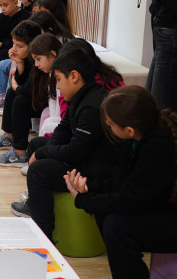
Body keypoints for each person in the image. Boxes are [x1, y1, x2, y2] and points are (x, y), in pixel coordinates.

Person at [65, 86, 177, 279]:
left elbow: (131, 199)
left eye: (110, 125)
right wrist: (92, 187)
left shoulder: (157, 147)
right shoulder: (153, 129)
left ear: (129, 129)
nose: (108, 127)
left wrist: (83, 200)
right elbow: (133, 185)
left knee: (117, 227)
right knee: (110, 215)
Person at [9, 47, 129, 241]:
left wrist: (41, 156)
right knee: (39, 144)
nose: (57, 86)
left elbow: (75, 152)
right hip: (86, 158)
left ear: (74, 76)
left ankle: (44, 236)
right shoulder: (81, 95)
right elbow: (63, 130)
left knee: (39, 170)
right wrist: (44, 151)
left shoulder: (92, 106)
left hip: (99, 173)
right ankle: (36, 208)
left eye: (58, 79)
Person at [0, 21, 43, 164]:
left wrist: (17, 86)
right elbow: (22, 80)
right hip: (34, 96)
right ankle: (9, 136)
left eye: (20, 46)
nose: (14, 49)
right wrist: (20, 63)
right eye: (14, 44)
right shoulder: (27, 59)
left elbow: (28, 88)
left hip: (42, 101)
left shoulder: (39, 60)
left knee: (20, 100)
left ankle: (20, 152)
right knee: (11, 93)